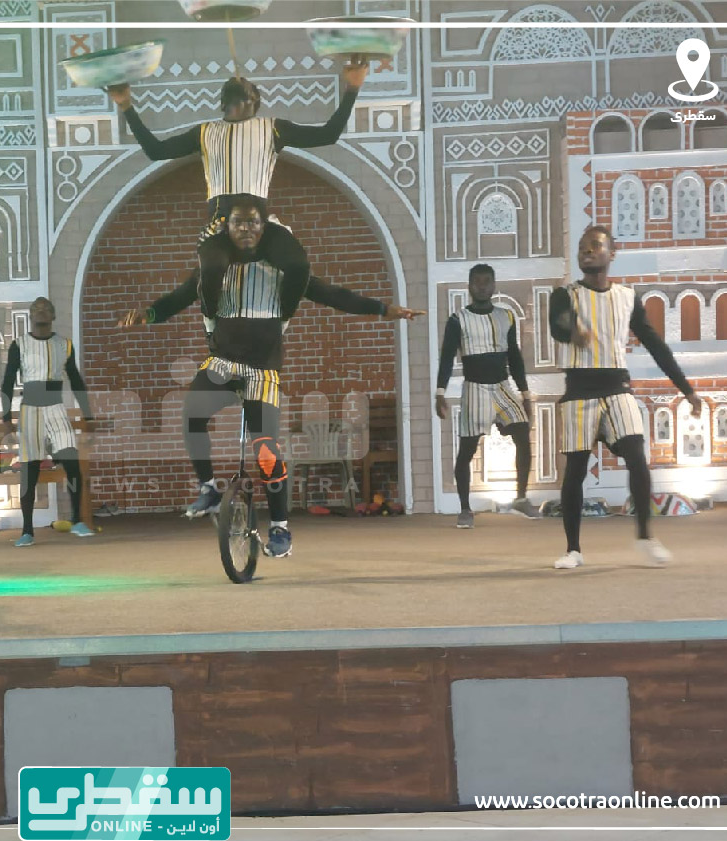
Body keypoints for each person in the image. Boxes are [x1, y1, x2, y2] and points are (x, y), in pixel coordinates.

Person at [119, 196, 421, 559]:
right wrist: (149, 314)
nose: (245, 228)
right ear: (227, 228)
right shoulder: (214, 271)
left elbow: (336, 296)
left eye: (253, 222)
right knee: (191, 414)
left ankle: (279, 527)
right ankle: (209, 489)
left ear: (264, 228)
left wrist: (385, 310)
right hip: (222, 365)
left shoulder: (282, 274)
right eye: (238, 222)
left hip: (262, 372)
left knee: (265, 452)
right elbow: (179, 297)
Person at [107, 60, 368, 324]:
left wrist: (352, 88)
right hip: (221, 225)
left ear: (254, 101)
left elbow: (328, 134)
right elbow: (156, 150)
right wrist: (126, 105)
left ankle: (283, 314)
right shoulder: (204, 132)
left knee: (299, 266)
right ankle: (212, 317)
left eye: (244, 85)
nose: (238, 81)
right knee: (211, 269)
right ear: (224, 102)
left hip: (260, 227)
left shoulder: (273, 128)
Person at [548, 225, 702, 569]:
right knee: (576, 470)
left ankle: (645, 537)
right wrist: (573, 331)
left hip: (617, 388)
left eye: (595, 245)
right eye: (583, 247)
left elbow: (655, 345)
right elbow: (557, 325)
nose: (587, 251)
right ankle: (573, 550)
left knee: (636, 456)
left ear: (612, 254)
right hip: (579, 391)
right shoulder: (565, 295)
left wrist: (687, 389)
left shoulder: (627, 297)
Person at [435, 264, 539, 528]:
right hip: (475, 389)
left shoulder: (506, 317)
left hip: (502, 386)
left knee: (522, 433)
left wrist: (525, 393)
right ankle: (465, 509)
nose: (482, 286)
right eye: (477, 282)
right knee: (467, 450)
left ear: (494, 285)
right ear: (469, 286)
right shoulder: (458, 319)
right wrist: (440, 392)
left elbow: (514, 357)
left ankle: (521, 498)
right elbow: (447, 357)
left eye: (487, 281)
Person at [0, 297, 95, 546]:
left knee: (72, 463)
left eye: (46, 309)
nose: (41, 311)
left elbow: (76, 380)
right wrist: (6, 416)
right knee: (29, 471)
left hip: (56, 409)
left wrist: (88, 414)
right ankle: (27, 531)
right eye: (37, 309)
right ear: (31, 315)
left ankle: (77, 520)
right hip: (30, 411)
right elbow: (8, 380)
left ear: (53, 315)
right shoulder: (19, 345)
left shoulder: (64, 345)